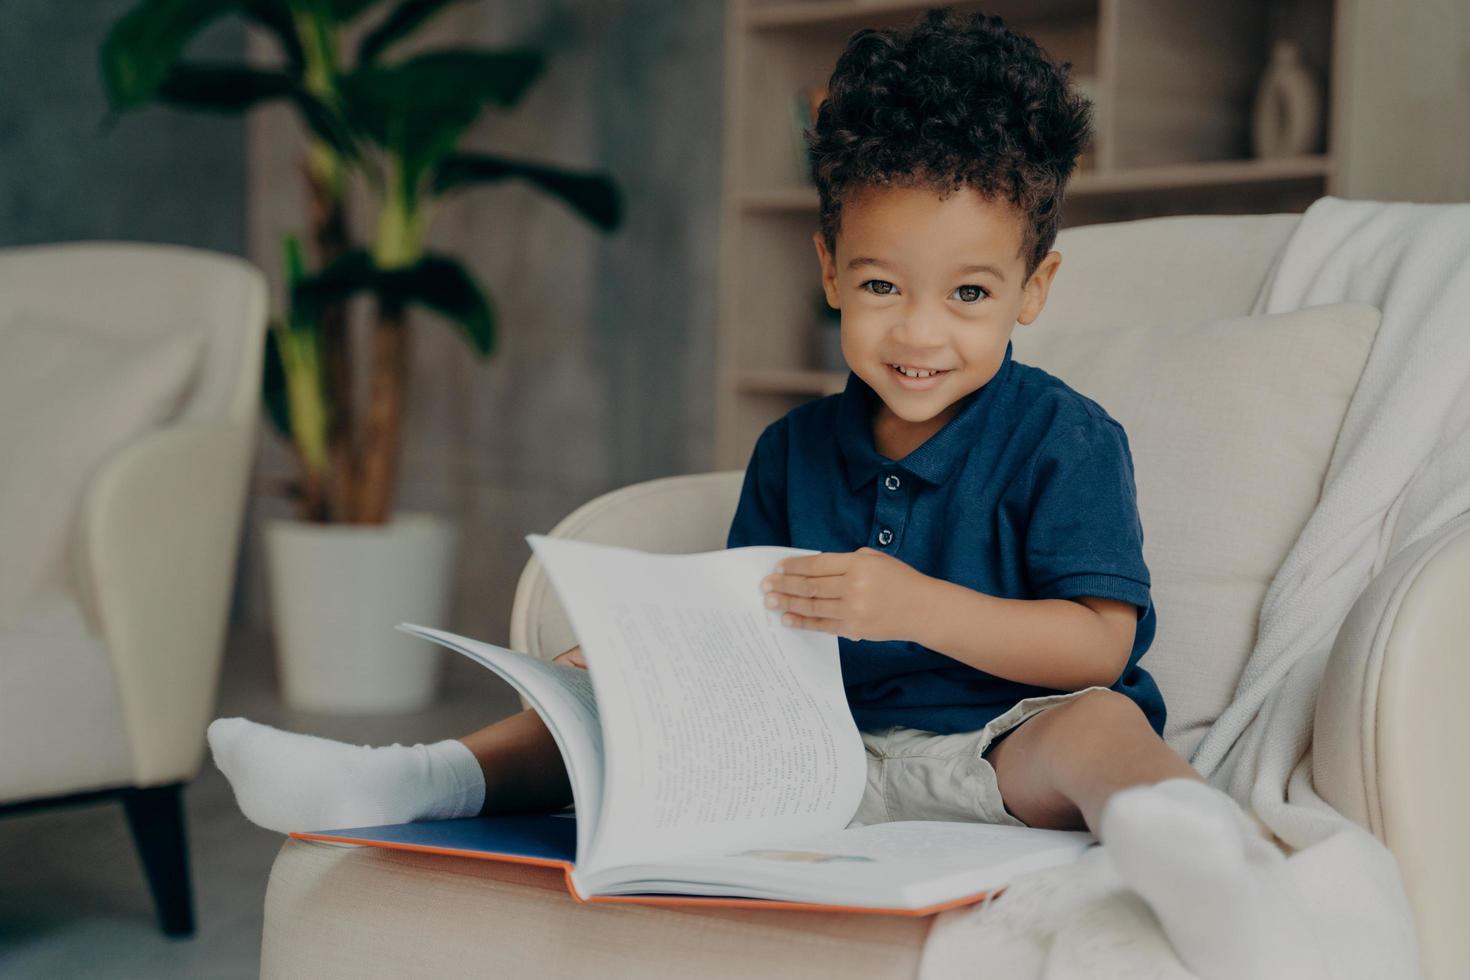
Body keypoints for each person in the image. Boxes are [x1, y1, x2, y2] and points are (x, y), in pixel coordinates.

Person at [210, 10, 1317, 978]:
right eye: (882, 286)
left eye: (969, 293)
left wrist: (913, 605)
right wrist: (657, 653)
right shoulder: (795, 446)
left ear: (1034, 289)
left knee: (1101, 722)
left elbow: (1095, 643)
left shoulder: (1065, 437)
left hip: (997, 751)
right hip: (811, 755)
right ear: (830, 269)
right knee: (602, 680)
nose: (920, 331)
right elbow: (745, 627)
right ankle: (406, 782)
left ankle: (1198, 856)